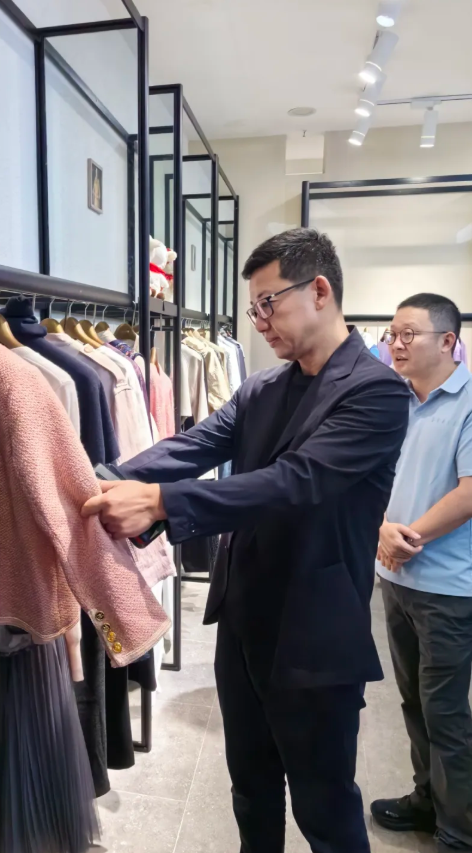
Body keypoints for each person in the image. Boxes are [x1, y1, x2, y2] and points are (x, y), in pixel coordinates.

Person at [82, 228, 410, 853]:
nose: (258, 321)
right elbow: (194, 445)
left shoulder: (377, 391)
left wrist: (162, 502)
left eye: (268, 303)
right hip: (242, 621)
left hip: (314, 635)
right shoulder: (262, 387)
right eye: (254, 307)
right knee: (251, 792)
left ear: (320, 290)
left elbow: (298, 481)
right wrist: (104, 478)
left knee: (325, 808)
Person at [371, 294, 472, 853]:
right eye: (393, 334)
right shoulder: (398, 400)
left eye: (408, 334)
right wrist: (383, 529)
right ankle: (425, 800)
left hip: (447, 589)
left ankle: (459, 832)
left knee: (446, 712)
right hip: (398, 580)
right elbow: (377, 478)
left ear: (448, 341)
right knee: (412, 702)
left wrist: (408, 538)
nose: (396, 344)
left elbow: (469, 493)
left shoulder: (469, 402)